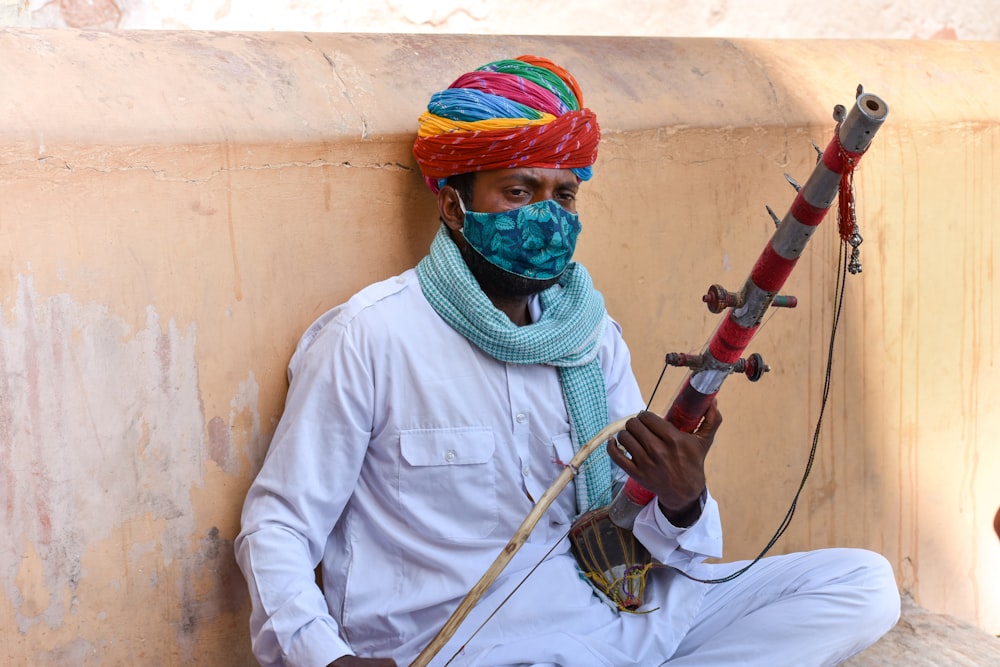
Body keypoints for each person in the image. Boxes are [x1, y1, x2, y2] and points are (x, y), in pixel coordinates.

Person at [235, 55, 900, 667]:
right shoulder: (368, 338)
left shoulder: (587, 333)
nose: (547, 217)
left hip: (613, 620)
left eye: (563, 195)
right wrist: (325, 658)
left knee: (860, 585)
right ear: (453, 207)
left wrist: (683, 498)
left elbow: (640, 531)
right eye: (519, 193)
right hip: (475, 650)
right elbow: (278, 525)